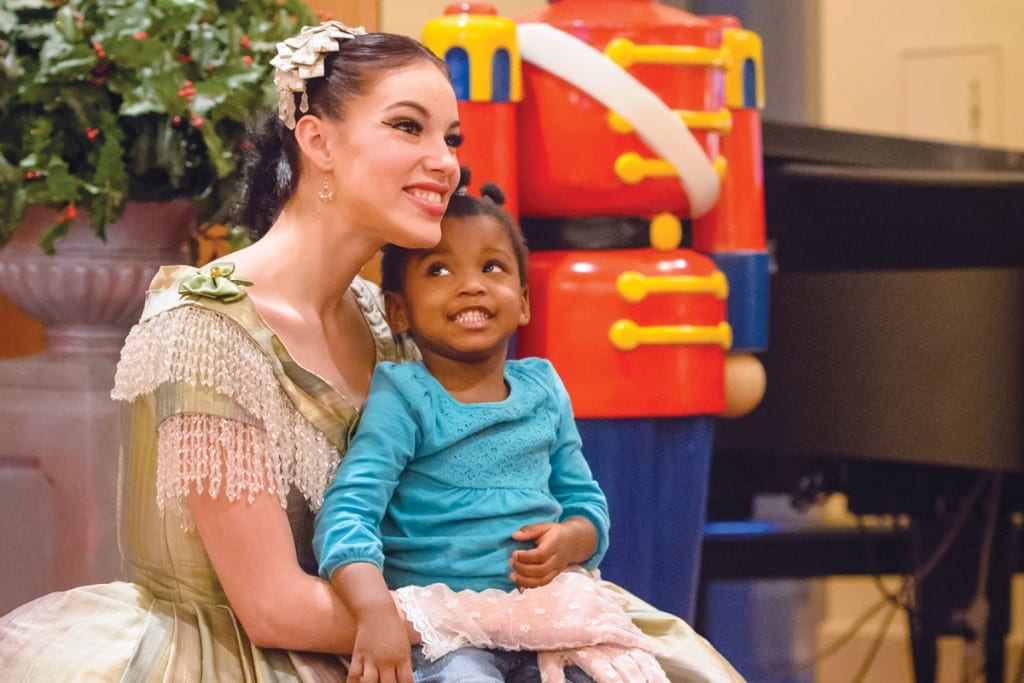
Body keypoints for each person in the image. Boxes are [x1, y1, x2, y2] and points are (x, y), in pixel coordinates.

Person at [0, 19, 744, 683]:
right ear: (317, 140)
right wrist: (503, 621)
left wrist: (551, 579)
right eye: (407, 127)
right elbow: (270, 608)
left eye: (449, 138)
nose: (443, 162)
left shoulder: (380, 316)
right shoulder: (207, 327)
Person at [313, 177, 667, 683]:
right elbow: (348, 513)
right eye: (439, 269)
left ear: (522, 301)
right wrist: (374, 611)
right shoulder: (406, 395)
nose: (472, 284)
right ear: (398, 310)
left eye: (492, 266)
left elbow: (587, 505)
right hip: (446, 633)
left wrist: (570, 539)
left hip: (542, 621)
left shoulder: (542, 388)